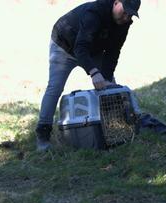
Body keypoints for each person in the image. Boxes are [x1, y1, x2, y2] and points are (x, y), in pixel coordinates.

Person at [35, 0, 141, 151]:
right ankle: (43, 135)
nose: (125, 17)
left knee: (109, 86)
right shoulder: (95, 12)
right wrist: (94, 72)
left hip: (92, 49)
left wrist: (105, 76)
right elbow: (80, 47)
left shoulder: (124, 23)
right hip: (65, 45)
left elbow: (113, 52)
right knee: (55, 87)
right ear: (116, 2)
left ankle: (113, 128)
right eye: (124, 12)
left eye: (130, 15)